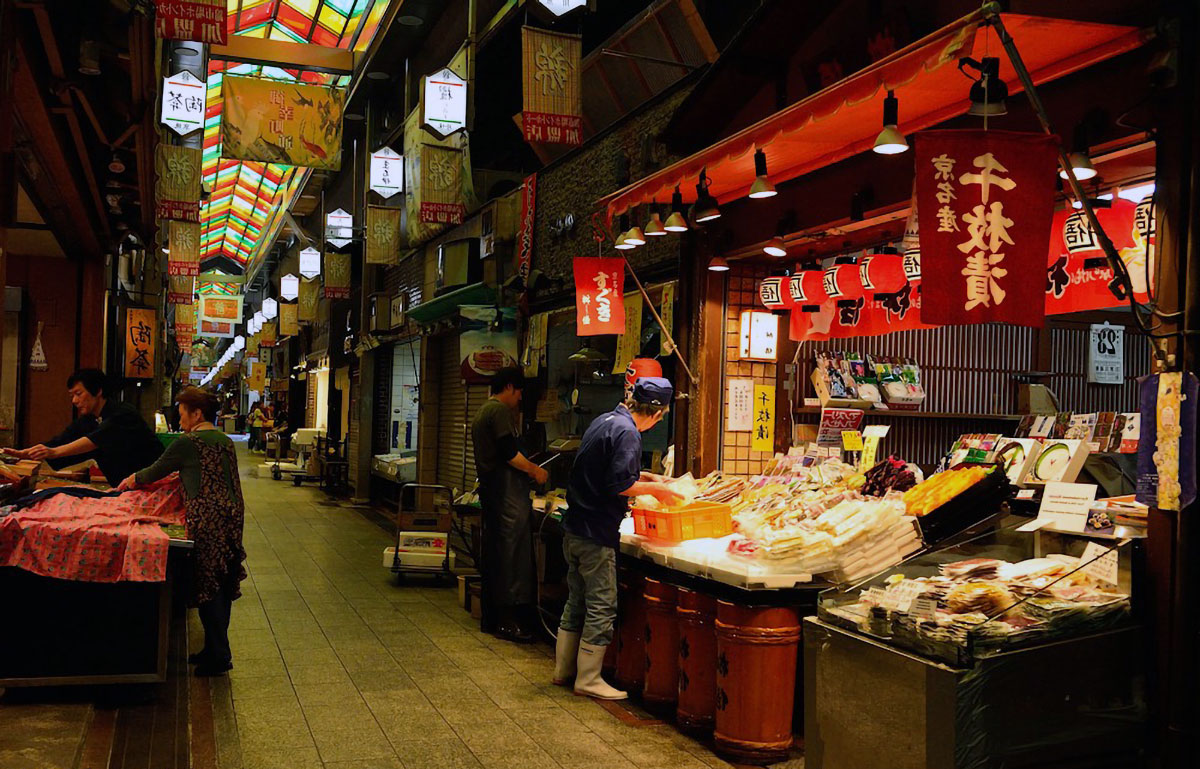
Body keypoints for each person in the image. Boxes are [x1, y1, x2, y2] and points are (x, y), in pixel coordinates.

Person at [554, 377, 682, 700]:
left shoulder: (606, 420)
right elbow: (619, 485)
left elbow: (609, 471)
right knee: (601, 605)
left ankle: (563, 671)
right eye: (661, 416)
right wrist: (658, 490)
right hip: (596, 533)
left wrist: (649, 478)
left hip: (575, 528)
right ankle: (589, 679)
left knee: (577, 600)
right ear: (655, 414)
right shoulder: (628, 433)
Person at [117, 386, 247, 677]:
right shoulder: (224, 440)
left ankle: (220, 655)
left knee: (207, 583)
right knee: (222, 579)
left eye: (183, 414)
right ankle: (214, 648)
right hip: (233, 516)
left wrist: (130, 480)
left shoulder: (189, 441)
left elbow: (156, 470)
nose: (180, 420)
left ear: (197, 413)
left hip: (207, 518)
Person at [471, 367, 548, 642]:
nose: (519, 399)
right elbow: (509, 454)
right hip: (506, 497)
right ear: (510, 387)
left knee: (498, 554)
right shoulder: (499, 412)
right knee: (511, 556)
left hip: (494, 493)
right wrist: (534, 470)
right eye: (519, 392)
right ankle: (508, 620)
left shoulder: (483, 411)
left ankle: (495, 618)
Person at [2, 369, 163, 486]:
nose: (74, 400)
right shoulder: (89, 420)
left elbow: (95, 439)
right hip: (125, 489)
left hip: (154, 485)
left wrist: (53, 452)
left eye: (78, 394)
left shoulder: (124, 414)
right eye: (72, 395)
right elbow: (61, 441)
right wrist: (27, 454)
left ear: (98, 391)